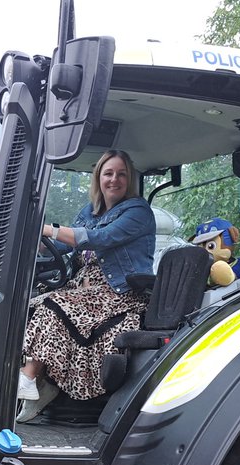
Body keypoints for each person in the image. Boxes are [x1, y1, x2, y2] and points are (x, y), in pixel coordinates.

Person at [18, 150, 155, 422]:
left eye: (121, 174)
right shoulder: (88, 212)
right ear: (98, 178)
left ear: (130, 180)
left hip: (120, 294)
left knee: (51, 305)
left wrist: (45, 228)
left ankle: (27, 377)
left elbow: (100, 238)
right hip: (81, 290)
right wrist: (28, 239)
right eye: (108, 173)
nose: (114, 179)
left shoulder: (138, 211)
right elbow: (61, 245)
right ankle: (45, 385)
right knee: (23, 305)